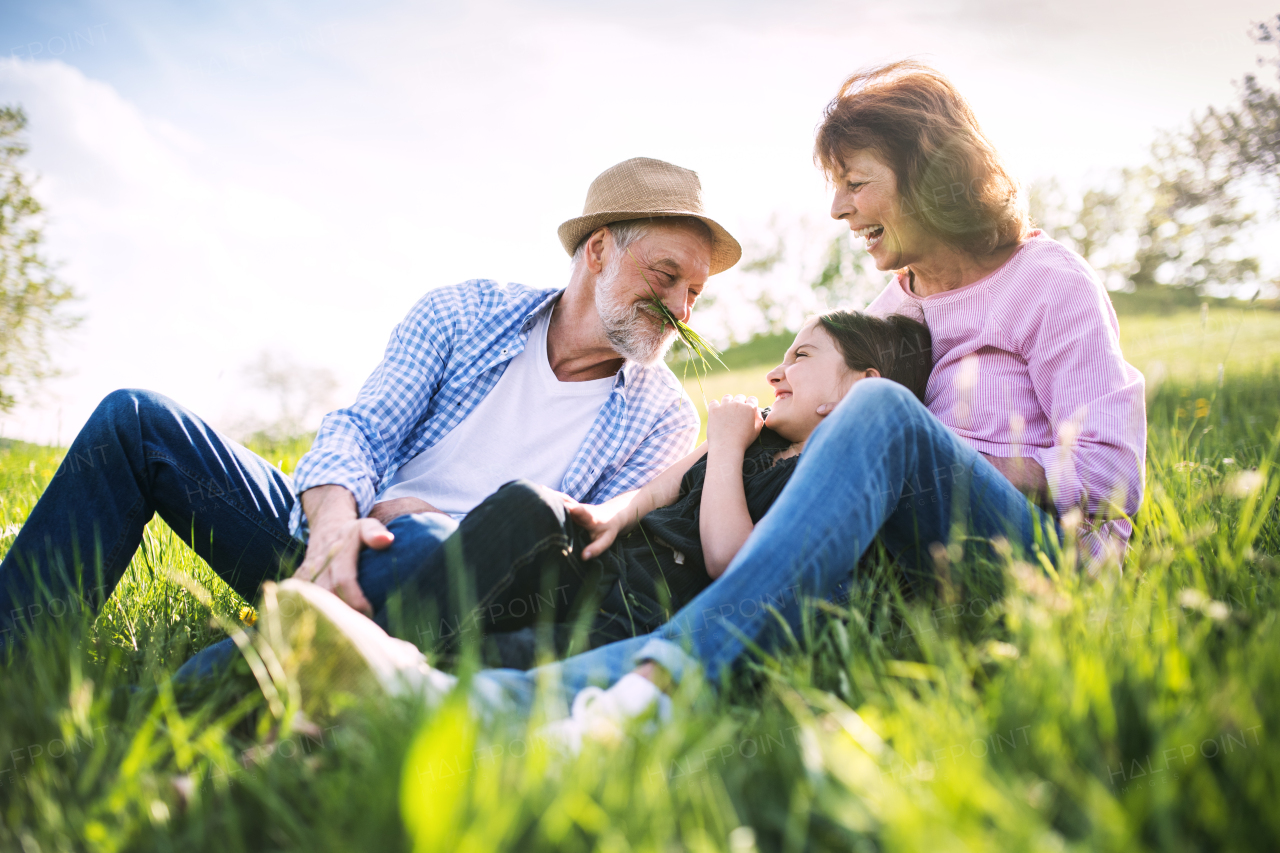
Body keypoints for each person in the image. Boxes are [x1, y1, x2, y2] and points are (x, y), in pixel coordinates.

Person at [250, 59, 1148, 750]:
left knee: (879, 418)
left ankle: (646, 694)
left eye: (857, 180)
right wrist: (643, 499)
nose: (837, 207)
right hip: (917, 567)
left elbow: (1108, 476)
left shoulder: (1047, 282)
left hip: (1043, 569)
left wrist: (916, 455)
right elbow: (799, 443)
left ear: (926, 170)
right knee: (734, 601)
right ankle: (463, 703)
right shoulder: (895, 307)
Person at [0, 157, 742, 653]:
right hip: (327, 531)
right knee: (134, 421)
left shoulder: (664, 416)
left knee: (422, 544)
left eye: (694, 292)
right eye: (667, 274)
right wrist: (333, 527)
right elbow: (361, 428)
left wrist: (416, 519)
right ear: (599, 251)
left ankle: (298, 652)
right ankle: (19, 656)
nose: (679, 306)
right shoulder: (463, 313)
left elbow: (575, 555)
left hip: (459, 585)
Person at [365, 310, 931, 669]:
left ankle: (382, 680)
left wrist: (729, 445)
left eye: (801, 358)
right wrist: (609, 514)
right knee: (529, 504)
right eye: (781, 359)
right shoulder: (754, 430)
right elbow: (663, 488)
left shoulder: (822, 476)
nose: (775, 374)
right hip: (599, 570)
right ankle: (375, 639)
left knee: (497, 658)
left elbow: (730, 559)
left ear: (861, 388)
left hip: (639, 619)